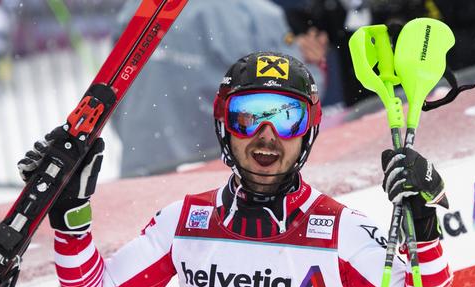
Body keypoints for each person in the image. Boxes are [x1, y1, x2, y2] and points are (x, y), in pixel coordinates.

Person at [18, 51, 451, 287]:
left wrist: (426, 232)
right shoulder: (184, 221)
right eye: (248, 115)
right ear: (226, 127)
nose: (266, 134)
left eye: (286, 117)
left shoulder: (341, 231)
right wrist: (71, 219)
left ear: (307, 133)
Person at [111, 0, 324, 178]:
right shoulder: (255, 15)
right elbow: (295, 101)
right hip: (211, 175)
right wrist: (315, 64)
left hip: (140, 172)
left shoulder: (141, 6)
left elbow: (114, 91)